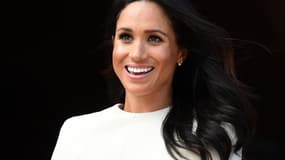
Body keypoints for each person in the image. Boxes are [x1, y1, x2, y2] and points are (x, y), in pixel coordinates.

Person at [51, 0, 256, 160]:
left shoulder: (209, 135)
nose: (137, 54)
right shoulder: (76, 132)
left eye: (154, 38)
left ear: (180, 52)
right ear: (114, 43)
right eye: (126, 37)